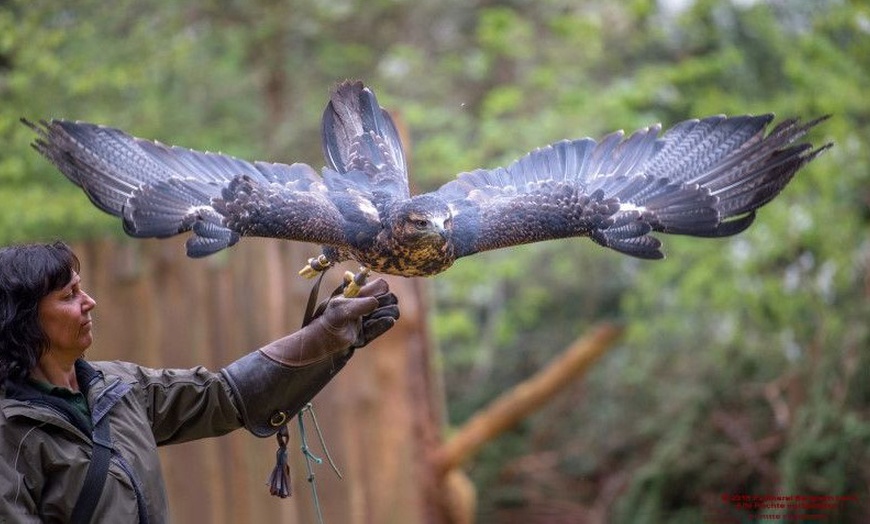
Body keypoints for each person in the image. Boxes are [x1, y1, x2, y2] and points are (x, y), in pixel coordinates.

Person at [0, 241, 399, 523]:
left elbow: (224, 396)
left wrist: (324, 338)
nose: (89, 302)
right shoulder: (9, 433)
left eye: (81, 287)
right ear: (26, 319)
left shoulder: (118, 387)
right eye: (69, 295)